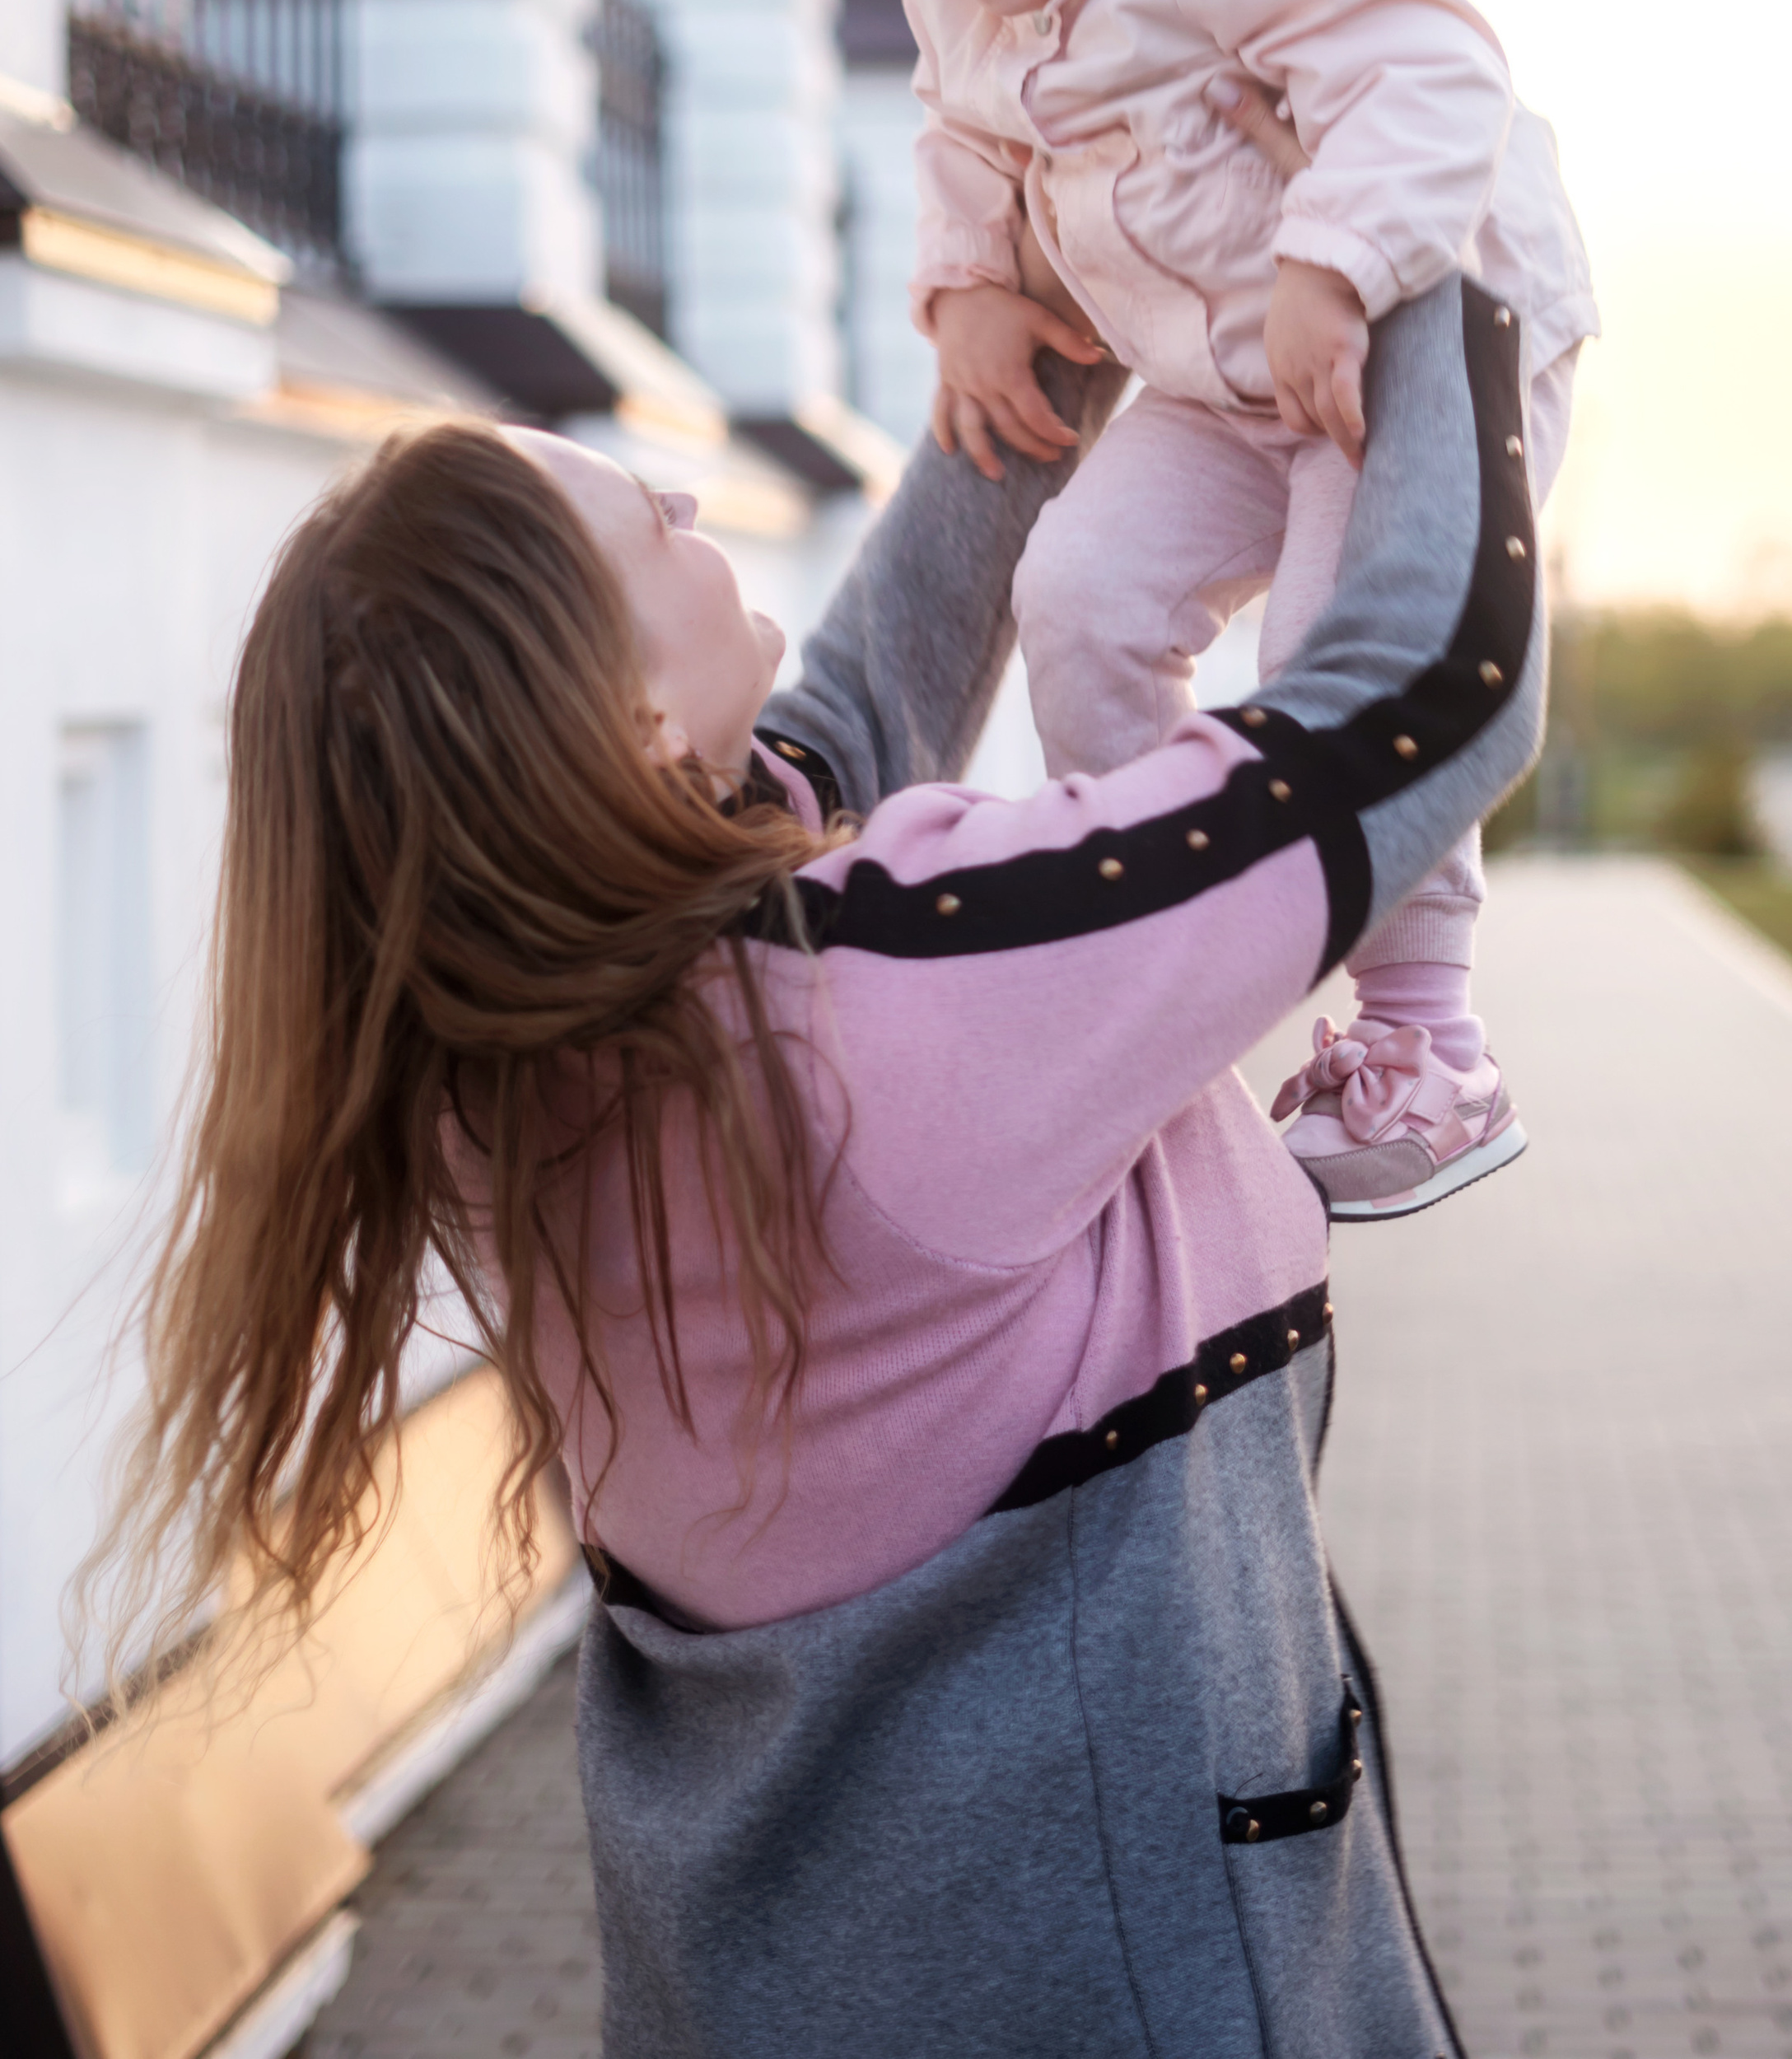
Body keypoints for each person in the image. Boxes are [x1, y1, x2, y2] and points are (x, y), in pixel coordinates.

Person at [99, 269, 1542, 2058]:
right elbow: (1425, 698)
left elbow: (849, 718)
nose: (693, 496)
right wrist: (1414, 246)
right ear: (624, 731)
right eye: (648, 523)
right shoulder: (890, 1024)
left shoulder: (491, 1056)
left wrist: (1033, 313)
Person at [768, 0, 1598, 1220]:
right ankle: (1161, 961)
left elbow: (1432, 71)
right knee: (1073, 589)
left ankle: (1427, 1040)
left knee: (1330, 665)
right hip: (1217, 387)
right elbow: (964, 139)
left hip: (1407, 343)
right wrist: (969, 294)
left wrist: (1333, 265)